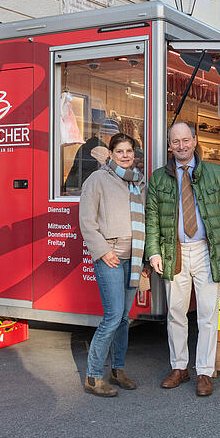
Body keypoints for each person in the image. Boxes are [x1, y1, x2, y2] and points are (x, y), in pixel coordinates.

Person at [146, 122, 220, 397]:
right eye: (176, 142)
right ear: (169, 146)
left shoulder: (216, 173)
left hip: (207, 249)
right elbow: (152, 216)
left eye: (186, 140)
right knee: (175, 313)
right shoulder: (158, 178)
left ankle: (204, 371)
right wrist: (153, 251)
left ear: (195, 140)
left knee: (208, 314)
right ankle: (179, 367)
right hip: (173, 250)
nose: (181, 146)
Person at [78, 133, 149, 397]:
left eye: (129, 151)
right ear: (110, 154)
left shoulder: (139, 182)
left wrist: (145, 259)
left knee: (123, 319)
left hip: (134, 257)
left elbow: (146, 219)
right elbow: (87, 221)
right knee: (112, 316)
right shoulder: (97, 179)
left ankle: (118, 370)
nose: (125, 155)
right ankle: (94, 376)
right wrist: (102, 251)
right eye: (120, 151)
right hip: (110, 257)